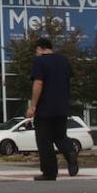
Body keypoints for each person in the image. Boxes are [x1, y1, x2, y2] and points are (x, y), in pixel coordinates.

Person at [26, 36, 78, 181]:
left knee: (44, 141)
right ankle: (70, 152)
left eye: (36, 50)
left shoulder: (39, 61)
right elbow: (69, 80)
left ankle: (49, 173)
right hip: (62, 107)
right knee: (60, 136)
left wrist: (33, 106)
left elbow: (38, 83)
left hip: (45, 108)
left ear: (39, 48)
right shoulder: (63, 60)